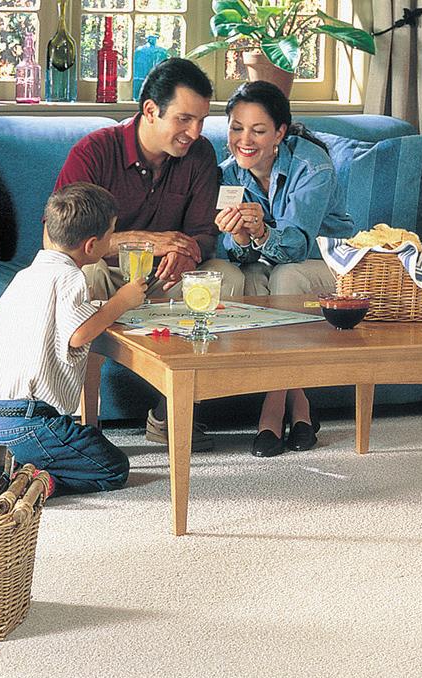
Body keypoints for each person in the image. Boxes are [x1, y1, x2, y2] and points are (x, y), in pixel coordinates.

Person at [53, 57, 243, 452]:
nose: (195, 132)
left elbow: (204, 233)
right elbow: (58, 242)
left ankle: (167, 415)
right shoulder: (94, 152)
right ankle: (87, 424)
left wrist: (189, 255)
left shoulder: (200, 155)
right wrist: (142, 241)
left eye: (201, 120)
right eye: (184, 119)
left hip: (166, 278)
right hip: (105, 274)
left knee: (225, 278)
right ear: (151, 110)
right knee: (83, 278)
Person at [215, 81, 355, 458]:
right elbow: (238, 256)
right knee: (249, 279)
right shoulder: (228, 174)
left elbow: (297, 247)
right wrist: (240, 237)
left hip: (329, 262)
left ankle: (272, 408)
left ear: (279, 132)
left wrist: (261, 231)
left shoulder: (312, 164)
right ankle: (301, 404)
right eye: (236, 128)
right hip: (273, 263)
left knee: (285, 276)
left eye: (258, 130)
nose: (244, 140)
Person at [0, 183, 145, 495]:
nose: (112, 240)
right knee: (113, 467)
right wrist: (121, 301)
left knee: (80, 439)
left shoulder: (25, 277)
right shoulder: (71, 276)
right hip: (30, 423)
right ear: (92, 246)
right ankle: (26, 485)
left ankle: (10, 468)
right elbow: (79, 333)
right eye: (111, 234)